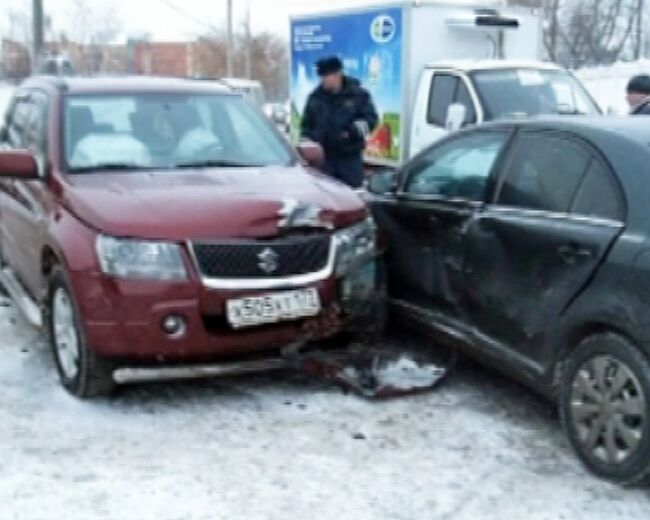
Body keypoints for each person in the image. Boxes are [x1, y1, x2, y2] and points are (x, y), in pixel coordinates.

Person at [301, 56, 378, 188]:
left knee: (351, 198)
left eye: (326, 76)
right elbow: (306, 127)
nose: (323, 80)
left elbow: (371, 120)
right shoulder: (315, 98)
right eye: (322, 76)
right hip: (325, 161)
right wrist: (310, 146)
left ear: (337, 74)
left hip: (350, 159)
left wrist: (352, 132)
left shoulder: (358, 95)